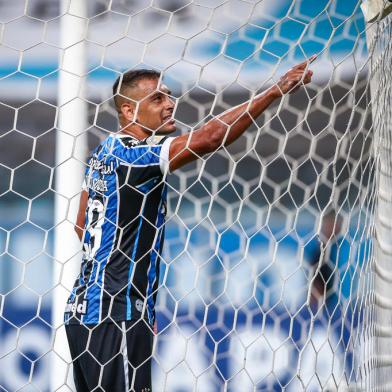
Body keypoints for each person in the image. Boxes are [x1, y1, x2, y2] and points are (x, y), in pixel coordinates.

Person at [64, 57, 315, 392]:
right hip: (114, 313)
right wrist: (275, 91)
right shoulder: (133, 157)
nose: (170, 104)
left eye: (169, 95)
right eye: (157, 98)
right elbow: (210, 138)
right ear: (128, 111)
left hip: (85, 311)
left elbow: (81, 223)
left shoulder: (105, 153)